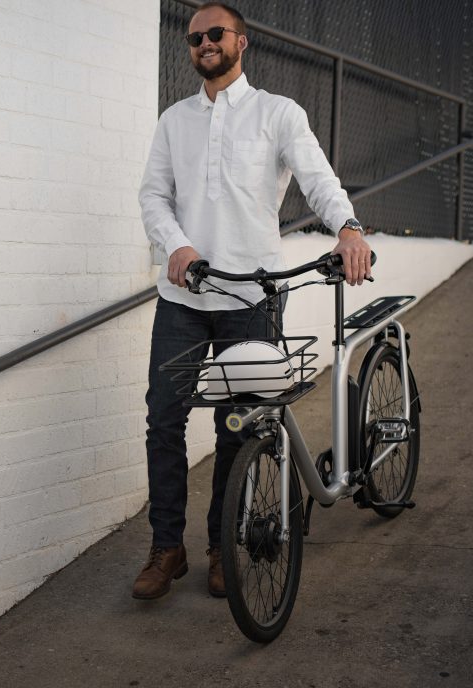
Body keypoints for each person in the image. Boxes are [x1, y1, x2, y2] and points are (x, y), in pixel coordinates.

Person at [134, 1, 371, 600]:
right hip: (183, 297)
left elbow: (317, 177)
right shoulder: (174, 120)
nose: (203, 44)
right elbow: (153, 195)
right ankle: (166, 548)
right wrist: (177, 244)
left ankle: (223, 546)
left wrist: (347, 228)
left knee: (237, 427)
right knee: (164, 418)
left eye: (215, 33)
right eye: (194, 38)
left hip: (252, 299)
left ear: (242, 41)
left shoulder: (278, 113)